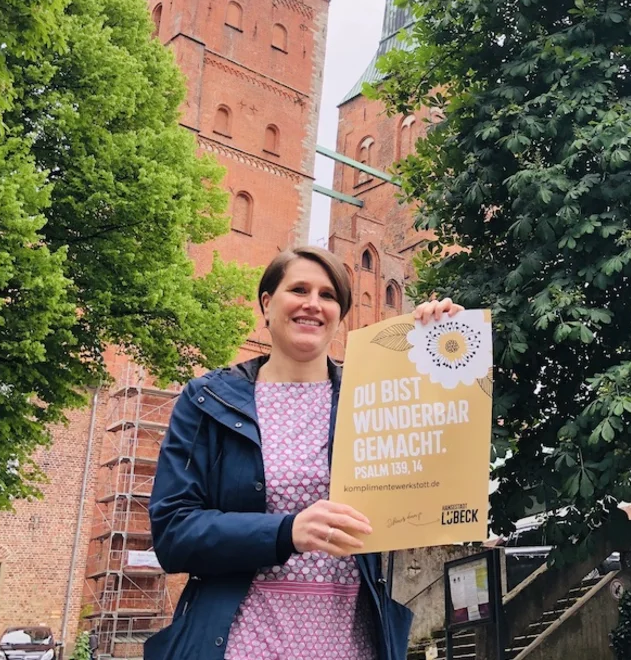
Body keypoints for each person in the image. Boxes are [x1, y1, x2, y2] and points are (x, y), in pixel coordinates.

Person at [145, 245, 463, 660]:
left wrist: (437, 347)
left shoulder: (371, 400)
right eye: (298, 289)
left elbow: (433, 483)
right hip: (239, 645)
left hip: (350, 645)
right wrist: (286, 532)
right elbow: (173, 533)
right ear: (267, 303)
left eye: (328, 295)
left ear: (340, 315)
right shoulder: (207, 401)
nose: (313, 304)